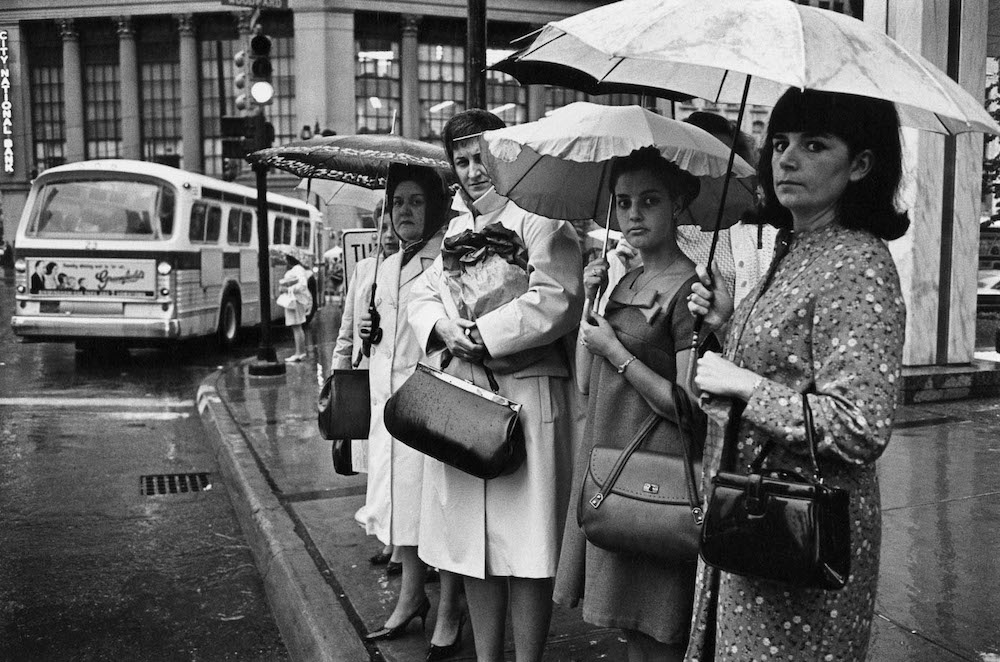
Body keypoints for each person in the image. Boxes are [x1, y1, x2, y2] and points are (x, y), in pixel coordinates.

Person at [685, 88, 908, 661]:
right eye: (780, 142)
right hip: (753, 523)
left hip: (801, 534)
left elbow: (860, 425)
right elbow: (790, 364)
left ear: (860, 164)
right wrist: (726, 323)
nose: (785, 158)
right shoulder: (800, 245)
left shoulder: (857, 262)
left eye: (814, 145)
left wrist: (745, 385)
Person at [408, 109, 584, 662]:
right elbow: (424, 294)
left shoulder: (543, 219)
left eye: (480, 157)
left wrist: (483, 333)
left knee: (527, 546)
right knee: (471, 546)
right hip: (466, 400)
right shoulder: (457, 228)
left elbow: (556, 297)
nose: (473, 171)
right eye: (460, 161)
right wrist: (443, 328)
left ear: (503, 154)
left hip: (527, 396)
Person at [553, 147, 707, 662]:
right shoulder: (622, 280)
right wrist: (587, 306)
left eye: (649, 200)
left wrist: (616, 352)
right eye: (623, 202)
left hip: (656, 479)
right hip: (609, 465)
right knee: (631, 633)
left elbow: (687, 408)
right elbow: (583, 380)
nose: (634, 214)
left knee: (661, 631)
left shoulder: (693, 291)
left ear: (678, 206)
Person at [356, 164, 464, 660]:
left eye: (416, 202)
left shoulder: (446, 257)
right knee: (406, 512)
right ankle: (412, 597)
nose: (404, 210)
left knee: (438, 514)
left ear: (435, 208)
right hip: (391, 408)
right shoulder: (387, 263)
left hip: (429, 403)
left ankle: (449, 612)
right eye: (397, 202)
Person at [331, 200, 399, 569]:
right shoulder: (363, 270)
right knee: (376, 465)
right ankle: (388, 539)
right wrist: (336, 378)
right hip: (365, 381)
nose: (388, 235)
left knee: (398, 466)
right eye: (381, 227)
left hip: (396, 382)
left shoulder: (414, 272)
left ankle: (402, 548)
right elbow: (345, 333)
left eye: (393, 227)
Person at [677, 111, 778, 310]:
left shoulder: (763, 235)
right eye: (697, 159)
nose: (707, 170)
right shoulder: (660, 232)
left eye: (719, 160)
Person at [278, 252, 312, 362]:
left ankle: (299, 353)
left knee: (297, 327)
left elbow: (302, 285)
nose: (285, 261)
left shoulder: (297, 269)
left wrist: (287, 289)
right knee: (297, 327)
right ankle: (300, 352)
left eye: (286, 258)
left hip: (295, 300)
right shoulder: (298, 269)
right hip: (295, 300)